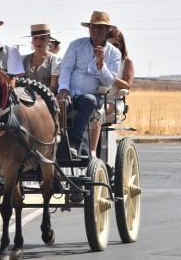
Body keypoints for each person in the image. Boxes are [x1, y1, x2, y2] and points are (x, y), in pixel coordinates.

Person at [57, 11, 121, 154]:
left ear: (107, 31)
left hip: (91, 96)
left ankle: (74, 143)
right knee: (58, 105)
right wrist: (63, 89)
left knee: (88, 100)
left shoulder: (114, 53)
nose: (96, 31)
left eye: (100, 28)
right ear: (89, 28)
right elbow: (66, 68)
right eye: (93, 27)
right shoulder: (76, 45)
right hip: (70, 93)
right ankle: (54, 141)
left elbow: (109, 80)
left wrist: (100, 64)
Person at [89, 28, 135, 156]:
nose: (113, 48)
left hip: (113, 100)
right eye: (109, 45)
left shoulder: (126, 62)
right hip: (95, 96)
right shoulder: (98, 59)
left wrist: (109, 76)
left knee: (98, 111)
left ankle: (91, 152)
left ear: (121, 45)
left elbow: (128, 85)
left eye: (116, 45)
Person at [22, 24, 60, 93]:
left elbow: (53, 87)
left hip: (47, 99)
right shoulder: (23, 59)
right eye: (35, 38)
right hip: (27, 98)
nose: (38, 42)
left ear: (48, 40)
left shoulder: (54, 59)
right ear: (32, 41)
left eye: (42, 38)